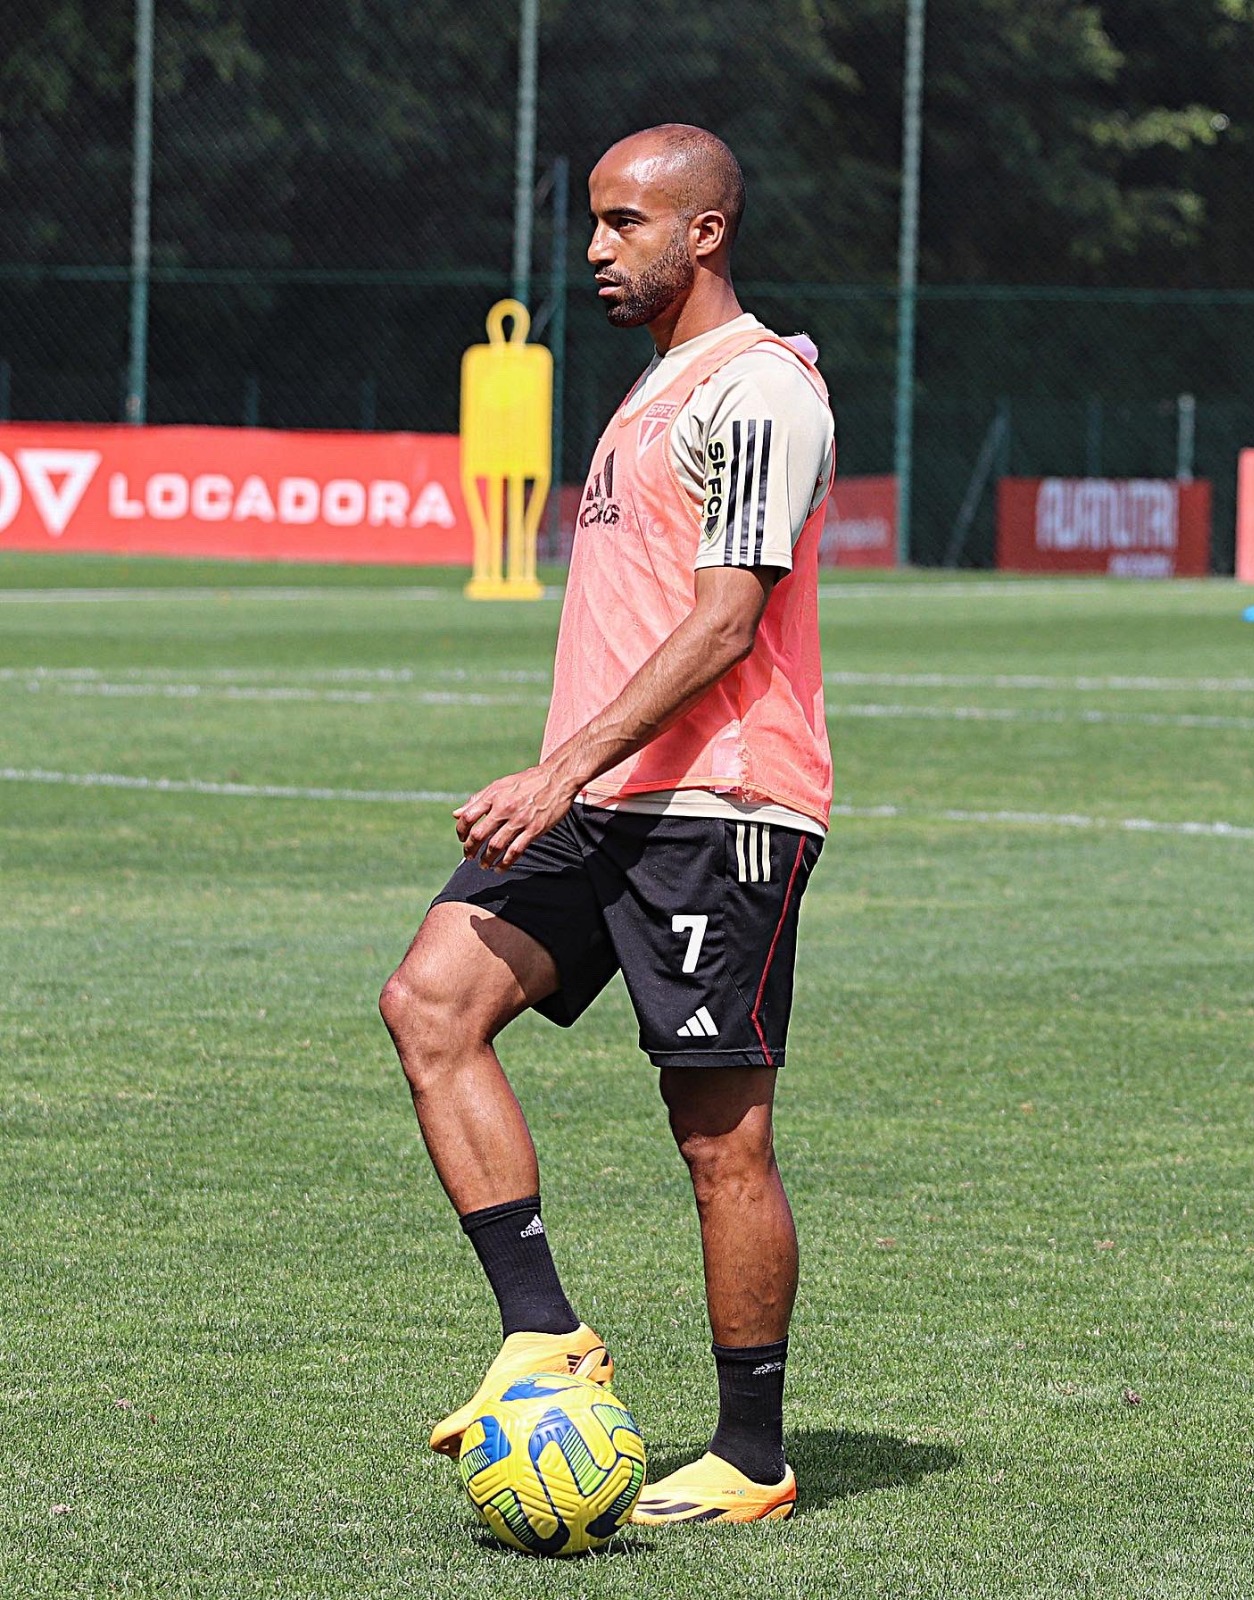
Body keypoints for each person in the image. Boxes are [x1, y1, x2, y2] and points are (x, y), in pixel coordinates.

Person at [379, 122, 835, 1525]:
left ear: (705, 232)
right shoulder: (652, 393)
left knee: (716, 1141)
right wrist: (577, 777)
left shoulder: (760, 392)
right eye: (594, 220)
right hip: (606, 796)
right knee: (428, 1004)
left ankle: (751, 1456)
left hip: (718, 805)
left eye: (627, 222)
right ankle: (544, 1330)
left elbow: (724, 619)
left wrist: (556, 768)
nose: (595, 249)